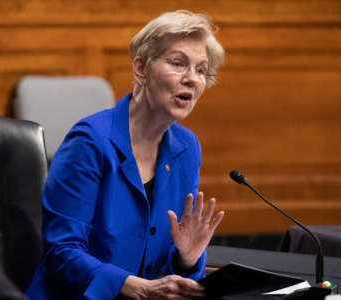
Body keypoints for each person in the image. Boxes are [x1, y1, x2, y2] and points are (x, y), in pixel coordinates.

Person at [25, 9, 225, 300]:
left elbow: (168, 269)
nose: (192, 79)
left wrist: (187, 259)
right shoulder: (90, 141)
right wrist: (138, 288)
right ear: (141, 70)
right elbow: (62, 254)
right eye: (178, 63)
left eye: (201, 70)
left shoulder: (187, 148)